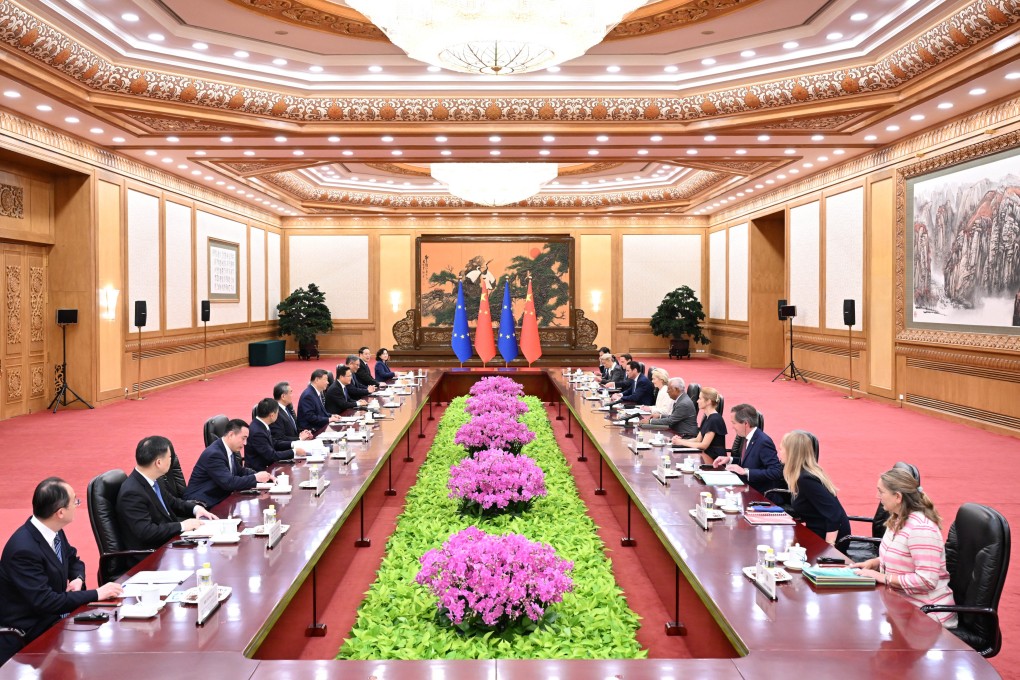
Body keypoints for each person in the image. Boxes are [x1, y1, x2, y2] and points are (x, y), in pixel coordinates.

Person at [0, 478, 123, 665]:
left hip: (54, 618)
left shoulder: (52, 530)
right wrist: (97, 593)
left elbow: (73, 559)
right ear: (60, 512)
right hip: (30, 634)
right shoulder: (23, 550)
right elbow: (45, 602)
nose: (77, 504)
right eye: (75, 501)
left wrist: (78, 578)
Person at [850, 469, 957, 627]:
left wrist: (885, 578)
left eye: (881, 492)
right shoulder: (897, 518)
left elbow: (926, 580)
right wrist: (876, 562)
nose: (877, 497)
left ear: (898, 497)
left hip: (926, 615)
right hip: (900, 604)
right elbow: (903, 556)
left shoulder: (921, 530)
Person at [117, 436, 218, 567]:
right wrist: (182, 526)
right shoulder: (132, 493)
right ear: (158, 462)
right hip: (152, 556)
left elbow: (173, 502)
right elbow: (146, 532)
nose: (172, 460)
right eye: (170, 458)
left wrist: (196, 509)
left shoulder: (156, 479)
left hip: (169, 543)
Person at [778, 430, 850, 544]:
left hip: (829, 537)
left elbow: (834, 513)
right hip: (816, 531)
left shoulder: (806, 479)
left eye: (782, 449)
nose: (779, 452)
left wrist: (830, 547)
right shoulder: (801, 474)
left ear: (791, 453)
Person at [185, 419, 275, 508]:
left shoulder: (228, 449)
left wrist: (265, 476)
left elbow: (240, 471)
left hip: (219, 496)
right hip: (202, 502)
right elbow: (229, 483)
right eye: (243, 438)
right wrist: (256, 478)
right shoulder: (214, 454)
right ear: (231, 434)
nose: (245, 443)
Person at [713, 403, 784, 495]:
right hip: (744, 489)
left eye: (734, 423)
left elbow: (776, 472)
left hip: (759, 494)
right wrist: (730, 459)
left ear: (746, 423)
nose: (732, 427)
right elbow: (751, 461)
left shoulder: (763, 442)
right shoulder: (747, 436)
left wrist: (746, 472)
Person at [672, 386, 727, 459]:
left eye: (700, 398)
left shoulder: (714, 419)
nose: (697, 401)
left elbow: (704, 445)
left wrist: (681, 442)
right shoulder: (707, 417)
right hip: (705, 455)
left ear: (708, 401)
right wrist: (679, 440)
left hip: (714, 459)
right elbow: (697, 440)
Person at [246, 398, 298, 472]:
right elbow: (271, 456)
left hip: (269, 466)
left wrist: (294, 444)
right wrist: (294, 452)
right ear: (272, 415)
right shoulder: (258, 432)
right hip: (260, 472)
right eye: (278, 413)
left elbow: (274, 442)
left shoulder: (260, 424)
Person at [269, 381, 314, 450]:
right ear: (283, 396)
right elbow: (280, 438)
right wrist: (300, 438)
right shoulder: (276, 414)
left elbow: (293, 430)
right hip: (287, 450)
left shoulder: (287, 408)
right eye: (290, 392)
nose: (292, 395)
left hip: (295, 446)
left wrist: (304, 434)